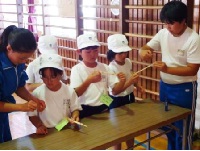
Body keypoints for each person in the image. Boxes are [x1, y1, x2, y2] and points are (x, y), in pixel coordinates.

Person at [139, 1, 200, 150]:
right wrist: (144, 52)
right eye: (165, 23)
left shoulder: (193, 38)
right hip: (165, 86)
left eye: (171, 23)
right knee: (168, 126)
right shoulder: (163, 33)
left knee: (183, 129)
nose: (168, 27)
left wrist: (167, 69)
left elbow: (192, 69)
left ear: (183, 20)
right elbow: (146, 47)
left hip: (184, 88)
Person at [0, 25, 46, 143]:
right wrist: (22, 107)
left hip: (2, 113)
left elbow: (19, 87)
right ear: (9, 48)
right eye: (22, 58)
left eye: (27, 58)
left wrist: (34, 99)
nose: (24, 61)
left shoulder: (17, 62)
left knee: (6, 144)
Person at [70, 33, 126, 119]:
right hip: (85, 109)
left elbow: (115, 91)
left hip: (104, 106)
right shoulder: (76, 69)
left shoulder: (104, 67)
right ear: (79, 52)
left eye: (95, 50)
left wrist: (122, 81)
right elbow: (76, 94)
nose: (92, 55)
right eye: (88, 52)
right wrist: (89, 81)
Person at [107, 34, 145, 149]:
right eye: (120, 53)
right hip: (116, 100)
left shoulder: (128, 61)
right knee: (117, 130)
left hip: (129, 97)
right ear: (113, 53)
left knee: (130, 128)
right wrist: (129, 82)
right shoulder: (111, 67)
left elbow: (131, 74)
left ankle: (130, 148)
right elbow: (115, 92)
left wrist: (138, 86)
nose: (124, 55)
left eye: (125, 52)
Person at [27, 54, 82, 135]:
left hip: (66, 128)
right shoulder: (37, 93)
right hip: (47, 131)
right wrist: (39, 126)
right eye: (45, 77)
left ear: (61, 75)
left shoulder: (69, 91)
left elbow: (75, 108)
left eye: (53, 77)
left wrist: (75, 116)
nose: (49, 81)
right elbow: (32, 115)